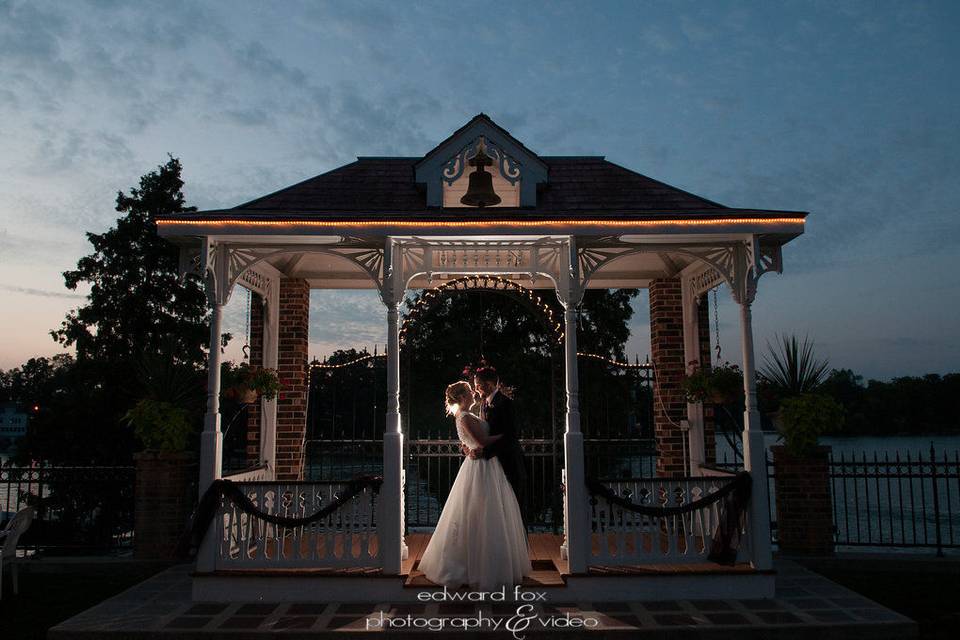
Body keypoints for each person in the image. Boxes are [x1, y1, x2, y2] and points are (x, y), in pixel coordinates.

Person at [417, 381, 531, 591]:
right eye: (470, 392)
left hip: (485, 465)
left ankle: (487, 564)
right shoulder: (465, 416)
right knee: (481, 513)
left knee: (485, 514)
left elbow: (470, 442)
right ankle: (475, 568)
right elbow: (482, 441)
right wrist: (507, 436)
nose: (473, 394)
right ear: (461, 397)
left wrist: (468, 448)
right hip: (481, 469)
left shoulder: (467, 414)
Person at [468, 367, 527, 524]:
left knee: (515, 514)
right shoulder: (483, 404)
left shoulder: (505, 404)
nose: (476, 389)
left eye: (478, 385)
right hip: (492, 468)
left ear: (489, 384)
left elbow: (511, 436)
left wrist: (485, 452)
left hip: (509, 465)